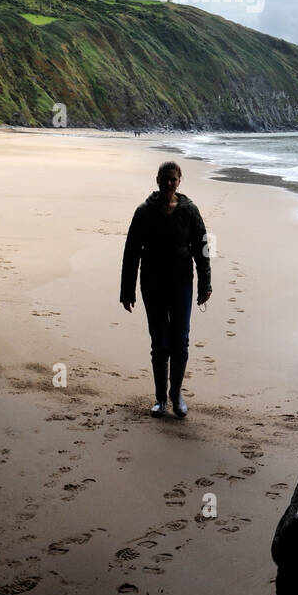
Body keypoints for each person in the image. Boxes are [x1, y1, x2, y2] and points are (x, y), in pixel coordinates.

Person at [120, 160, 212, 417]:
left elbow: (203, 248)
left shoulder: (190, 210)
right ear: (158, 180)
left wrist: (205, 283)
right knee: (160, 342)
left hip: (182, 282)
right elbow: (131, 253)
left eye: (174, 179)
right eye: (165, 178)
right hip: (152, 283)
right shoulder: (144, 212)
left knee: (180, 341)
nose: (169, 183)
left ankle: (176, 394)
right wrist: (127, 291)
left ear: (179, 181)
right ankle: (160, 398)